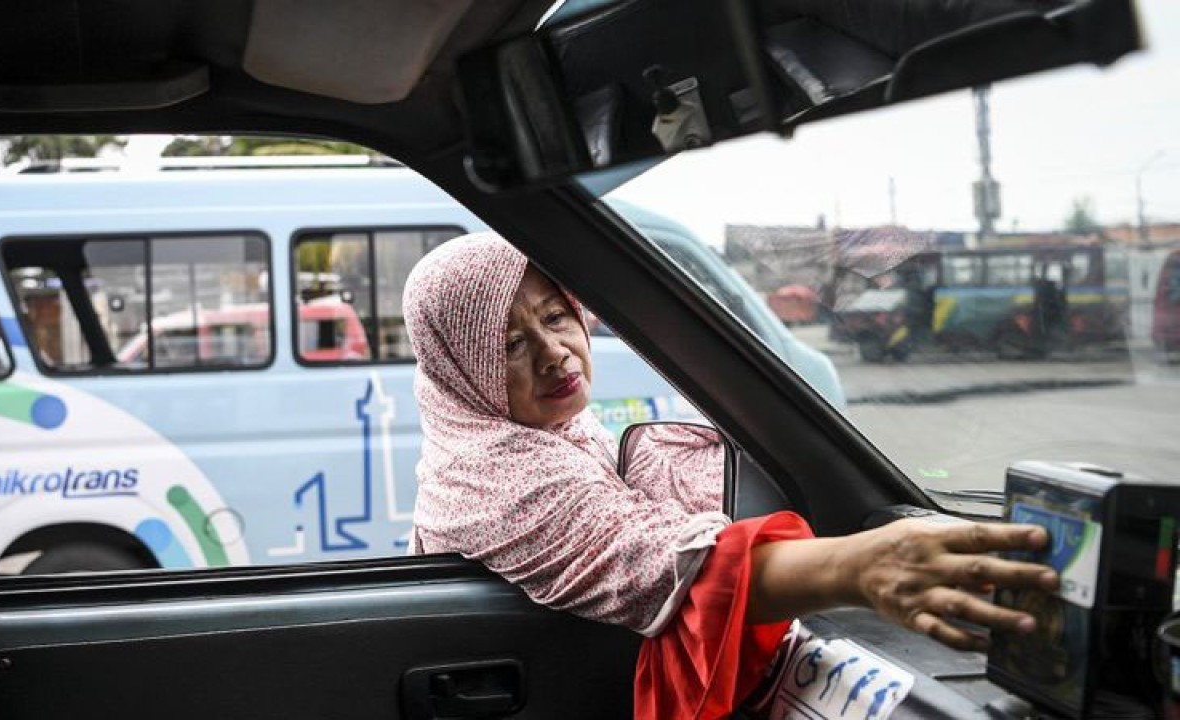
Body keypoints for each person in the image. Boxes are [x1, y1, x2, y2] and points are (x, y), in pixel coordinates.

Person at [403, 232, 1057, 719]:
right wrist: (864, 568)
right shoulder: (494, 477)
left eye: (553, 317)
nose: (554, 353)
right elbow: (644, 554)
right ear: (458, 365)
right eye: (509, 344)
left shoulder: (537, 431)